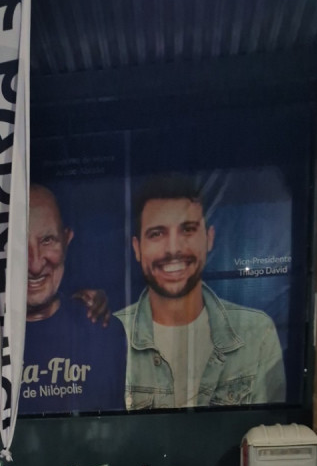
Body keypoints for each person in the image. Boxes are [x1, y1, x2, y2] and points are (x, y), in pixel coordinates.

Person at [115, 174, 287, 410]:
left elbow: (271, 428)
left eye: (187, 230)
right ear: (137, 248)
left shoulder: (257, 334)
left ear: (209, 238)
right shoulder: (111, 335)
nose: (173, 249)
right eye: (157, 234)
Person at [0, 184, 125, 414]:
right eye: (18, 243)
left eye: (47, 240)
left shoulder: (101, 333)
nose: (34, 264)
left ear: (67, 239)